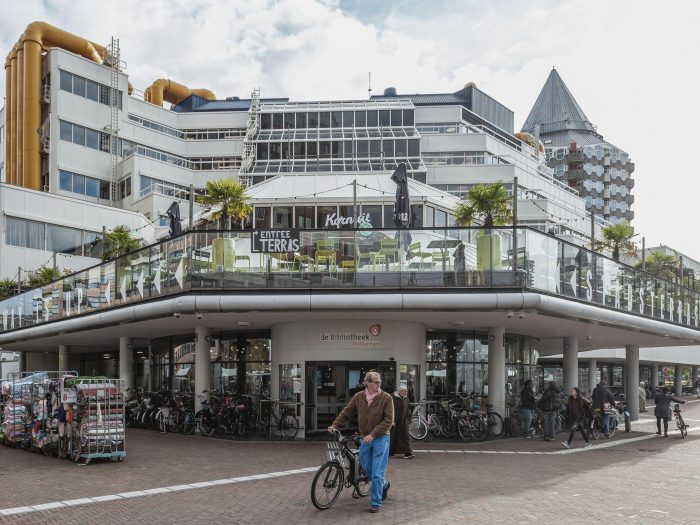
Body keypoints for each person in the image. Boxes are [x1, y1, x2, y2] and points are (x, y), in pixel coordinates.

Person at [328, 371, 394, 513]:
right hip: (365, 439)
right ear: (367, 383)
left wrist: (373, 434)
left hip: (381, 438)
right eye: (376, 382)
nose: (379, 384)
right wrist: (335, 425)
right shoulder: (359, 397)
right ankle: (384, 484)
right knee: (367, 469)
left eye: (380, 382)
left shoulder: (386, 398)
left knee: (376, 473)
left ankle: (375, 503)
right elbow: (347, 412)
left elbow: (389, 421)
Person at [389, 386, 414, 459]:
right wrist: (392, 420)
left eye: (406, 391)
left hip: (404, 420)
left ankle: (408, 452)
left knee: (406, 435)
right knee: (393, 436)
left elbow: (408, 409)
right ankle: (390, 452)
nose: (406, 393)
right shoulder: (393, 398)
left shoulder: (406, 398)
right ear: (399, 392)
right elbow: (390, 410)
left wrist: (409, 419)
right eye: (404, 391)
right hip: (395, 421)